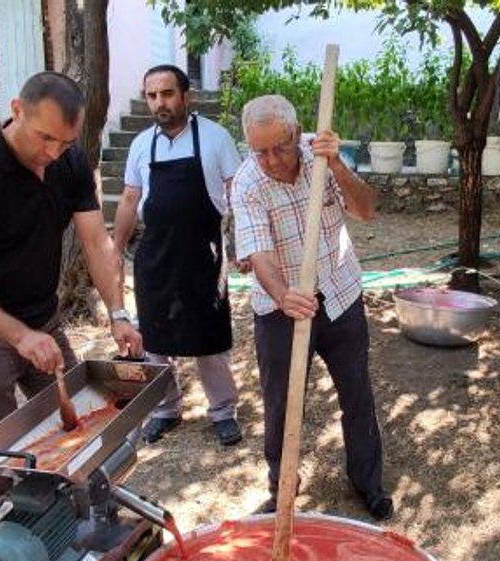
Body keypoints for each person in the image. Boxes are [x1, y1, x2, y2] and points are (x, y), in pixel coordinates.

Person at [0, 71, 143, 515]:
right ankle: (3, 542)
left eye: (65, 142)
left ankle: (84, 516)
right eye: (45, 137)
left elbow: (95, 242)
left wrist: (119, 311)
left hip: (43, 320)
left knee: (82, 422)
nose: (52, 153)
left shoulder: (68, 163)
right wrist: (20, 336)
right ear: (16, 111)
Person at [230, 94, 393, 521]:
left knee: (357, 393)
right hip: (280, 307)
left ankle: (367, 483)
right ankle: (282, 486)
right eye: (259, 150)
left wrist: (338, 165)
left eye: (279, 148)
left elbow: (367, 210)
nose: (270, 160)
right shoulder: (248, 182)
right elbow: (258, 253)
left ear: (295, 132)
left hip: (340, 292)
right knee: (281, 404)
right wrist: (283, 294)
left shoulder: (322, 155)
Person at [112, 64, 244, 447]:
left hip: (204, 252)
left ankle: (223, 411)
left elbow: (238, 191)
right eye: (152, 96)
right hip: (155, 255)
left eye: (167, 94)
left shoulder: (216, 138)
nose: (160, 103)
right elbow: (131, 198)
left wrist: (244, 244)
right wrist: (117, 246)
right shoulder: (141, 144)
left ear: (186, 96)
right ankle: (165, 409)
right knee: (154, 337)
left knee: (210, 337)